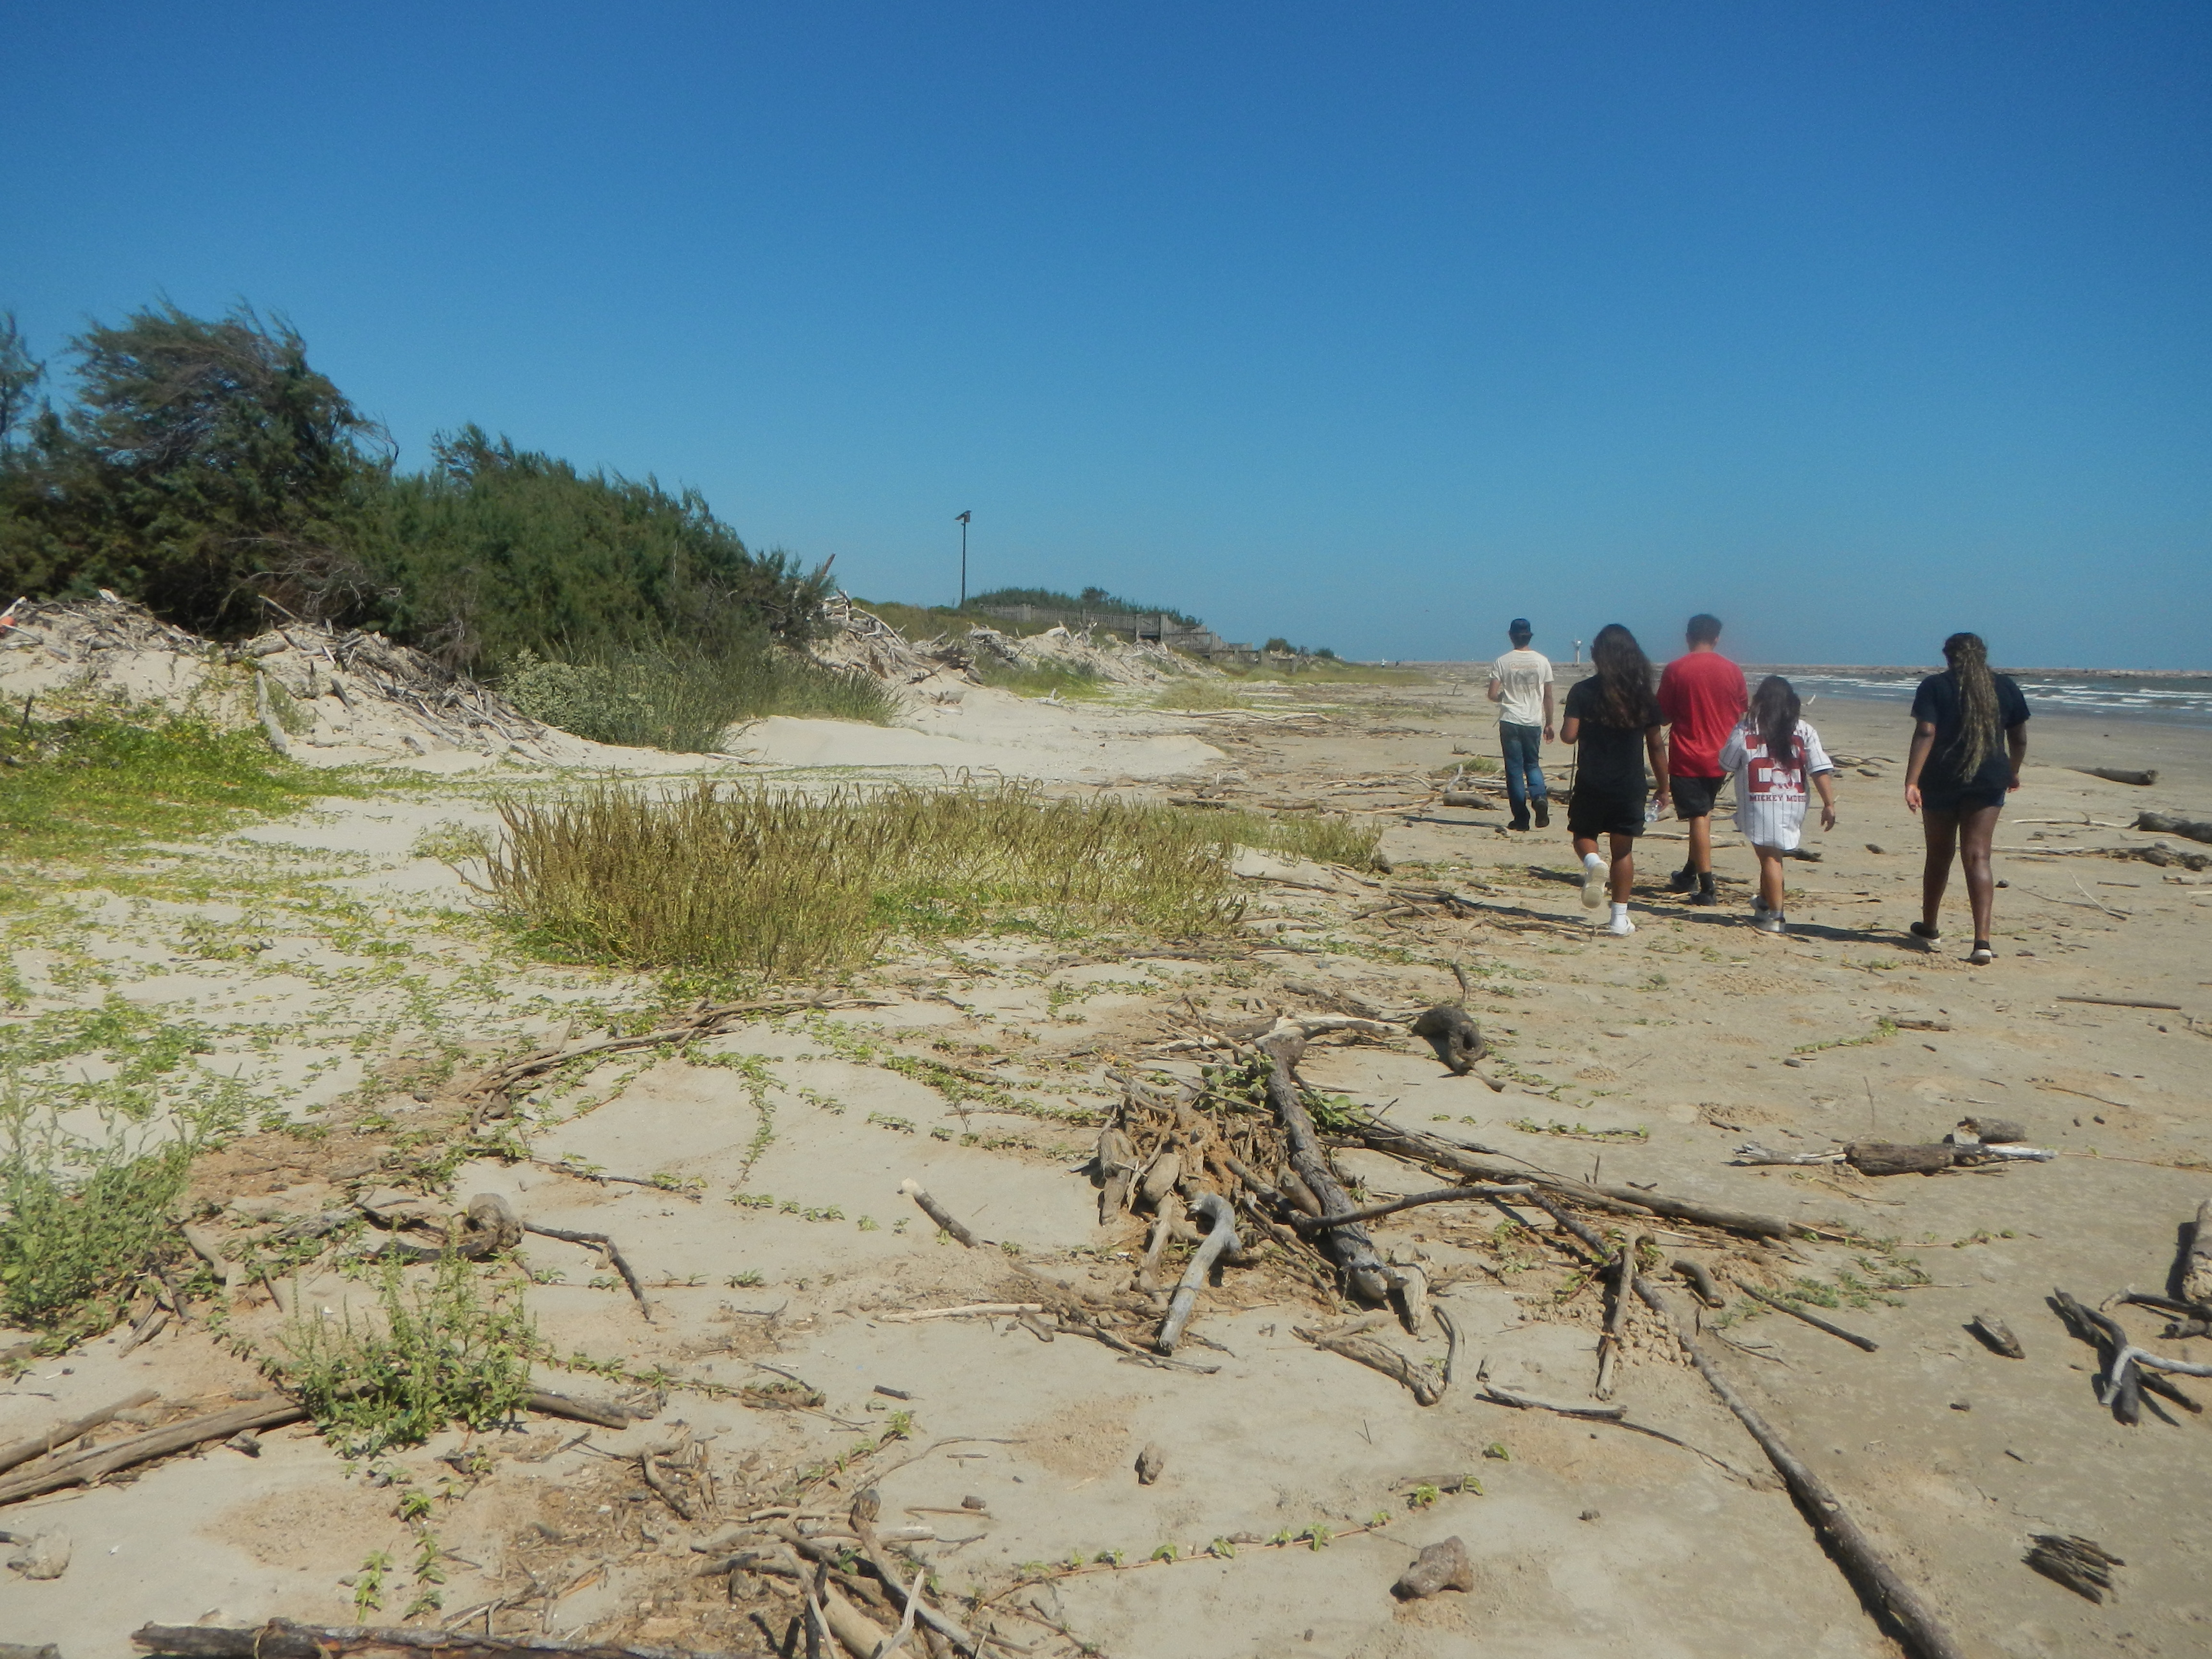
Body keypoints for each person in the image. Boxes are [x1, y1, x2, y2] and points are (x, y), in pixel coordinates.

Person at [1903, 632, 2030, 966]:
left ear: (1947, 656)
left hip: (1941, 777)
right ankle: (1982, 942)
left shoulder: (1935, 686)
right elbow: (2018, 738)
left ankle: (1930, 926)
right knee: (1978, 857)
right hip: (1989, 778)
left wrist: (1912, 780)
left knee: (1939, 854)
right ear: (1983, 655)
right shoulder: (2005, 687)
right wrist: (2013, 771)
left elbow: (1926, 731)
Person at [1561, 623, 1668, 937]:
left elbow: (1569, 736)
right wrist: (1664, 786)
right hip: (1629, 784)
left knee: (1583, 834)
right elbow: (1656, 746)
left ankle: (1593, 863)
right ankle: (1619, 919)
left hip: (1592, 780)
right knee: (1623, 851)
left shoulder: (1582, 691)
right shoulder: (1643, 697)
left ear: (1597, 655)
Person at [1719, 676, 1839, 935]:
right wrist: (1829, 803)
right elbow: (1819, 769)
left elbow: (1726, 763)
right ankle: (1764, 902)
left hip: (1758, 802)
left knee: (1770, 858)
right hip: (1794, 802)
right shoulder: (1804, 730)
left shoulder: (1746, 729)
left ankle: (1776, 917)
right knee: (1772, 854)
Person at [1656, 613, 1748, 906]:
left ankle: (1707, 886)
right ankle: (1688, 872)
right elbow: (1741, 710)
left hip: (1689, 754)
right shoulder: (1732, 670)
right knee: (1703, 811)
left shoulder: (1676, 670)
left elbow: (1663, 714)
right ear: (1717, 638)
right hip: (1723, 755)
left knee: (1699, 817)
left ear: (1688, 637)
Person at [1485, 618, 1554, 830]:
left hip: (1510, 719)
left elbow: (1492, 694)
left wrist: (1503, 698)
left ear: (1511, 636)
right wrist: (1550, 723)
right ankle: (1539, 796)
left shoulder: (1502, 661)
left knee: (1514, 770)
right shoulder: (1542, 661)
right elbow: (1548, 696)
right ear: (1529, 636)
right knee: (1532, 764)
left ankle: (1521, 818)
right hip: (1533, 720)